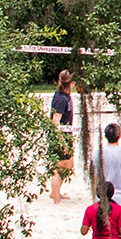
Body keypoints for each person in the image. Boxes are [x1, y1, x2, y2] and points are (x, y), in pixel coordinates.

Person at [94, 122, 121, 210]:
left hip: (102, 199)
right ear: (119, 136)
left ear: (105, 136)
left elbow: (95, 177)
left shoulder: (98, 154)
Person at [49, 70, 75, 203]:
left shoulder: (65, 96)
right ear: (70, 82)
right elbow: (55, 122)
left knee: (68, 165)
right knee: (59, 168)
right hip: (61, 137)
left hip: (66, 136)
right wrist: (61, 142)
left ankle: (56, 192)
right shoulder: (61, 99)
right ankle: (56, 198)